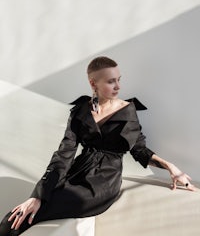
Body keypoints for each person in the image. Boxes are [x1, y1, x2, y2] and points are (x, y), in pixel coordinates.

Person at [0, 56, 195, 235]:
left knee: (34, 213)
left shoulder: (128, 111)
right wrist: (37, 195)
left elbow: (139, 150)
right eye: (111, 81)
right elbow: (64, 154)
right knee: (11, 220)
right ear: (93, 83)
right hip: (76, 173)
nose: (118, 86)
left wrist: (171, 168)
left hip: (103, 183)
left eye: (119, 79)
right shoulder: (80, 112)